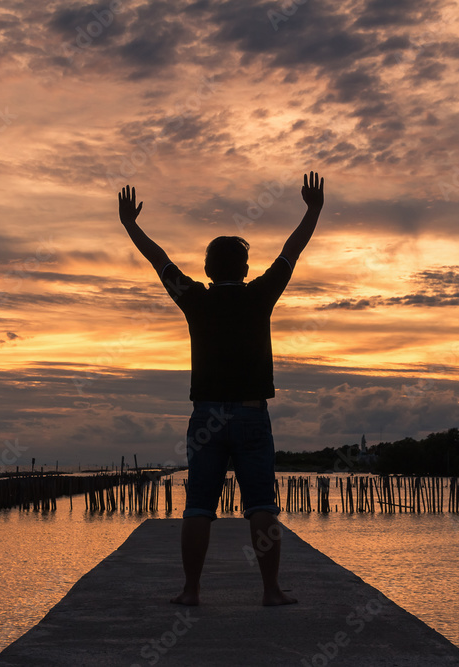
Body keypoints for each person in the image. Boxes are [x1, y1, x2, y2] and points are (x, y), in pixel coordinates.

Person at [117, 171, 325, 606]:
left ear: (208, 269)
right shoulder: (260, 294)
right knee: (261, 505)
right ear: (246, 269)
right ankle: (271, 591)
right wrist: (313, 211)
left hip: (207, 416)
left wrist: (131, 225)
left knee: (198, 507)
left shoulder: (195, 298)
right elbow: (292, 251)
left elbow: (160, 260)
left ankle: (191, 591)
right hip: (252, 414)